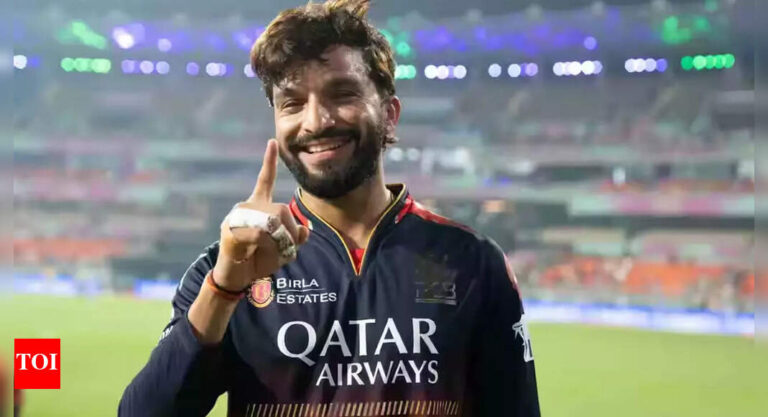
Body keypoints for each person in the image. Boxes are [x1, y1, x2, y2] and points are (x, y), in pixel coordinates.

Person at [119, 1, 539, 415]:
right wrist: (224, 288)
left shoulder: (472, 261)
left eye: (342, 94)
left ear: (389, 115)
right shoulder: (227, 268)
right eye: (292, 103)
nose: (316, 121)